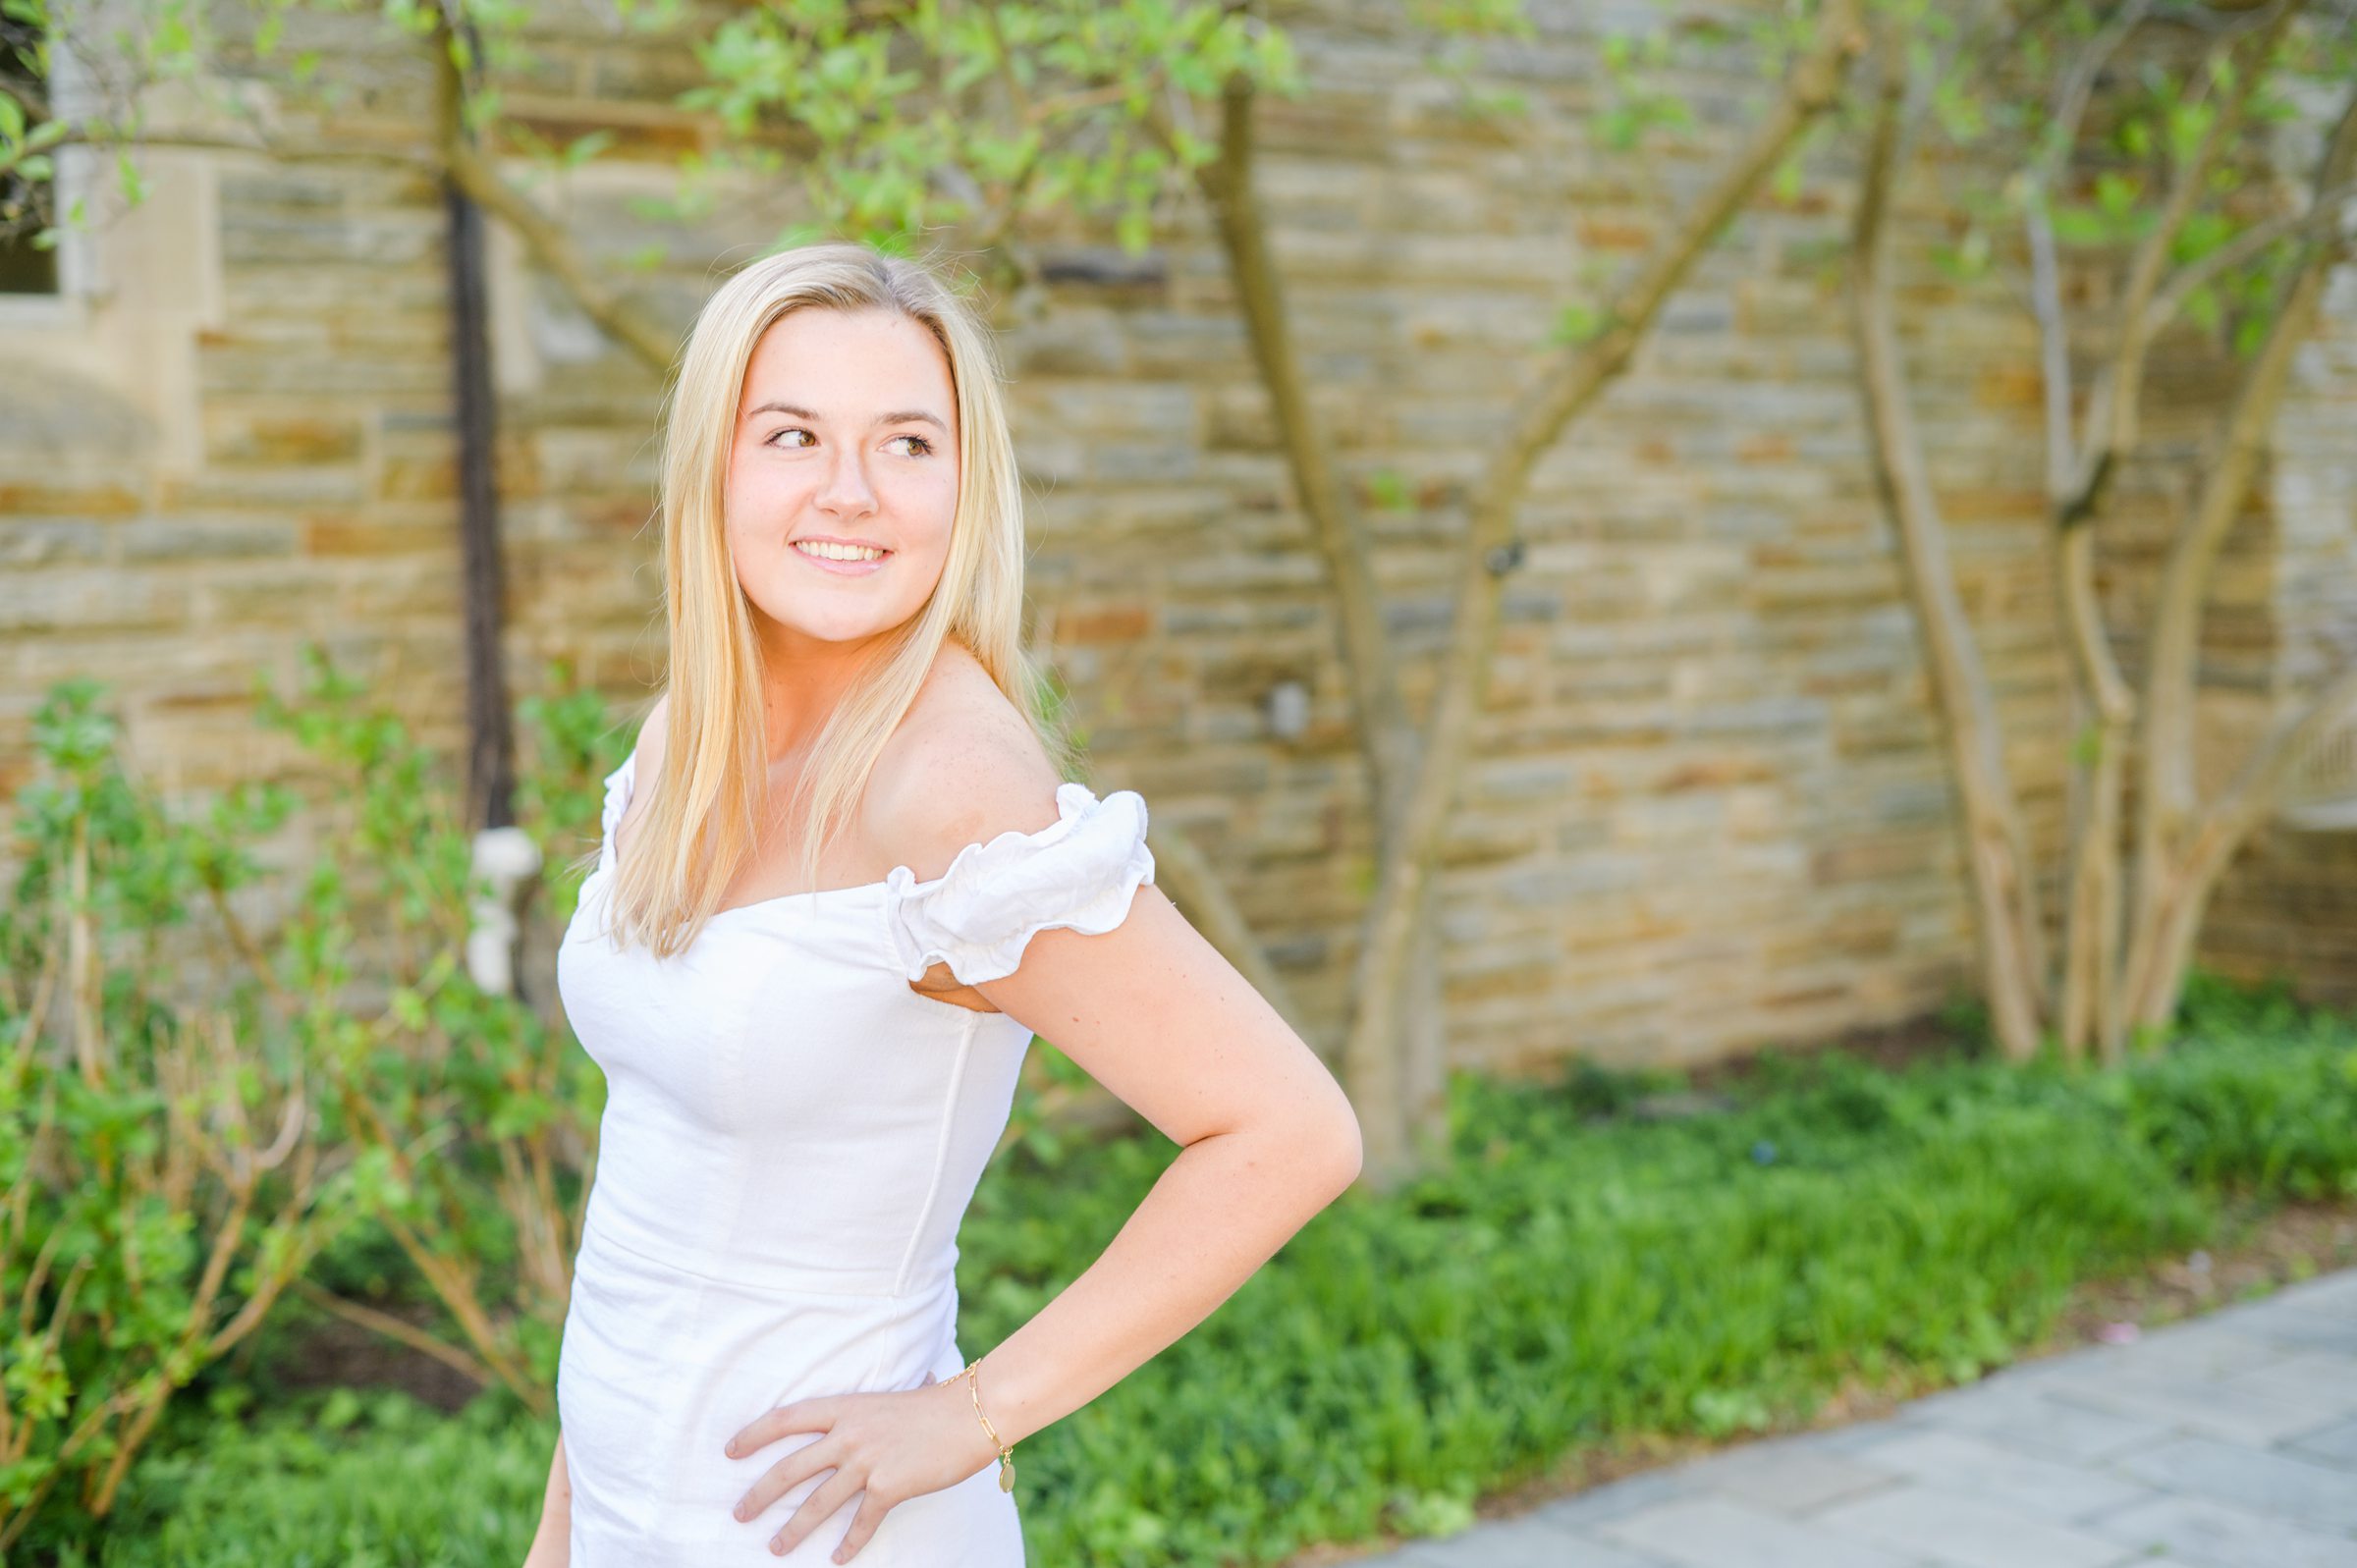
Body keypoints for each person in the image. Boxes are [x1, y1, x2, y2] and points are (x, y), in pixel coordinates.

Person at [521, 241, 1363, 1567]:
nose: (851, 492)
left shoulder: (953, 789)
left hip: (823, 1534)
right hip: (635, 1510)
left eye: (907, 443)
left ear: (964, 484)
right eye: (793, 433)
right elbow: (658, 1181)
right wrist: (562, 1535)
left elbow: (1289, 1129)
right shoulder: (695, 735)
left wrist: (970, 1416)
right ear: (714, 466)